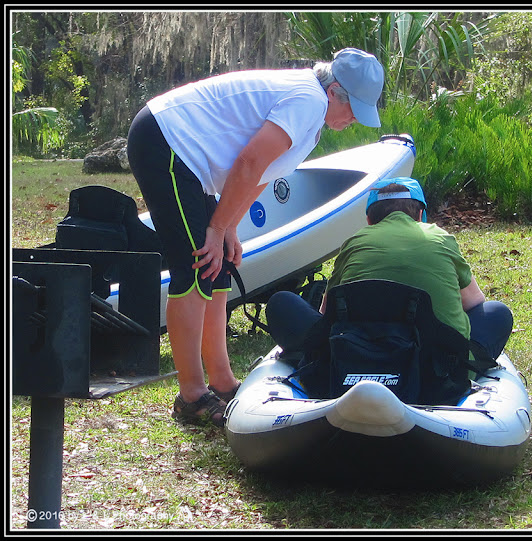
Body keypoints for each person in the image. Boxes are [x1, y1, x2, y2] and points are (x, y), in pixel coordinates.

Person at [126, 48, 385, 427]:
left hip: (189, 157)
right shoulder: (308, 101)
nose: (353, 121)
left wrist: (230, 227)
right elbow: (248, 162)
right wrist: (214, 230)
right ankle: (192, 396)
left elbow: (261, 173)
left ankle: (223, 382)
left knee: (220, 268)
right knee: (196, 267)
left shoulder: (313, 119)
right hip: (166, 140)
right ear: (335, 92)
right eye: (354, 110)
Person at [266, 177, 514, 374]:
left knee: (281, 303)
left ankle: (310, 365)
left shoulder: (354, 242)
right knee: (497, 313)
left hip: (351, 362)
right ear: (420, 216)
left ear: (369, 220)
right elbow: (474, 303)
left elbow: (325, 313)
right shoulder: (440, 238)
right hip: (438, 373)